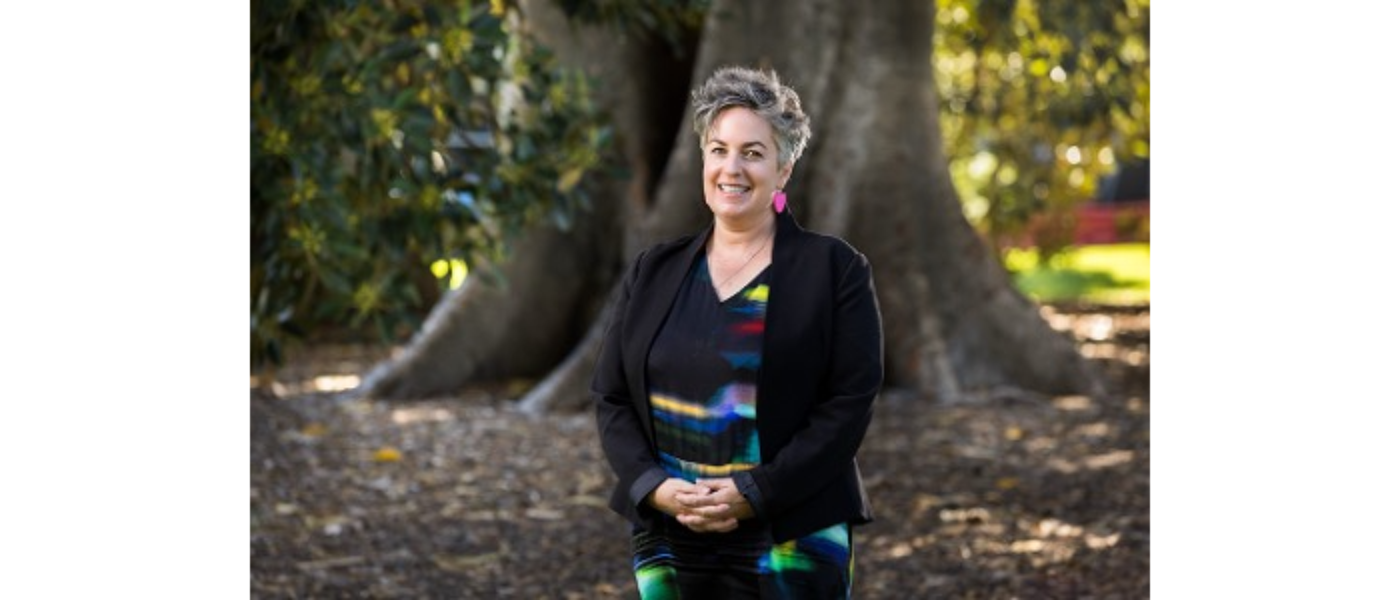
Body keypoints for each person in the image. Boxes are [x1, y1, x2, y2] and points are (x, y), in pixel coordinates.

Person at [591, 65, 885, 599]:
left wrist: (755, 491)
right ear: (704, 159)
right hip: (669, 532)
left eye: (753, 152)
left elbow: (850, 401)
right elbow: (611, 397)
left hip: (792, 534)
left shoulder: (834, 269)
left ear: (784, 170)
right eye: (719, 149)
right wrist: (654, 488)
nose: (732, 167)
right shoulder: (653, 270)